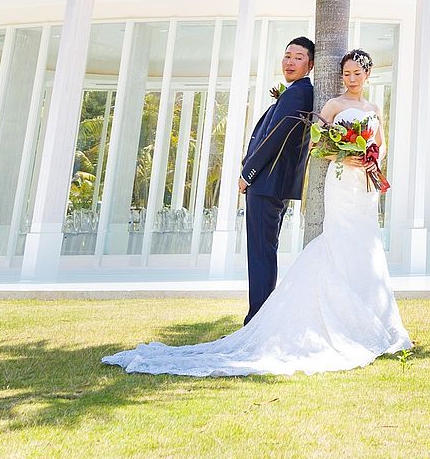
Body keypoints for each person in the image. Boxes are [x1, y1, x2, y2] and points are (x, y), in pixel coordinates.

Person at [104, 49, 412, 377]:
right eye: (346, 74)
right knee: (335, 241)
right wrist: (343, 155)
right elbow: (314, 145)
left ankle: (370, 315)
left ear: (367, 75)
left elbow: (381, 143)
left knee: (365, 244)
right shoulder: (333, 105)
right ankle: (311, 316)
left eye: (356, 74)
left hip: (364, 185)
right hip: (341, 182)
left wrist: (370, 158)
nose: (351, 79)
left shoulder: (373, 108)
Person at [240, 36, 315, 323]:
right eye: (287, 55)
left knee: (260, 254)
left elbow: (273, 138)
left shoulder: (298, 93)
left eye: (298, 57)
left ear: (310, 64)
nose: (290, 62)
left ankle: (257, 320)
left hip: (265, 183)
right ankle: (260, 319)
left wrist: (247, 174)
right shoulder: (295, 91)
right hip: (270, 184)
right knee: (264, 252)